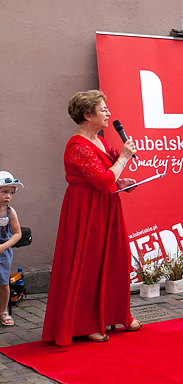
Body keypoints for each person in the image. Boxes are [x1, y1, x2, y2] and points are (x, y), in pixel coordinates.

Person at [42, 90, 141, 344]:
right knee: (88, 264)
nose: (108, 113)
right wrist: (123, 159)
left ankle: (119, 314)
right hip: (86, 209)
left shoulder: (99, 140)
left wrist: (123, 181)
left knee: (113, 260)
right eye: (103, 109)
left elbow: (109, 177)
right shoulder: (77, 145)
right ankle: (85, 324)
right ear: (87, 115)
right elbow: (103, 179)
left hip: (106, 205)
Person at [0, 172, 23, 327]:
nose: (8, 196)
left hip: (3, 251)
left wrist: (4, 246)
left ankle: (3, 311)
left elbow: (17, 233)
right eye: (4, 192)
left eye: (11, 193)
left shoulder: (9, 212)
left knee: (3, 283)